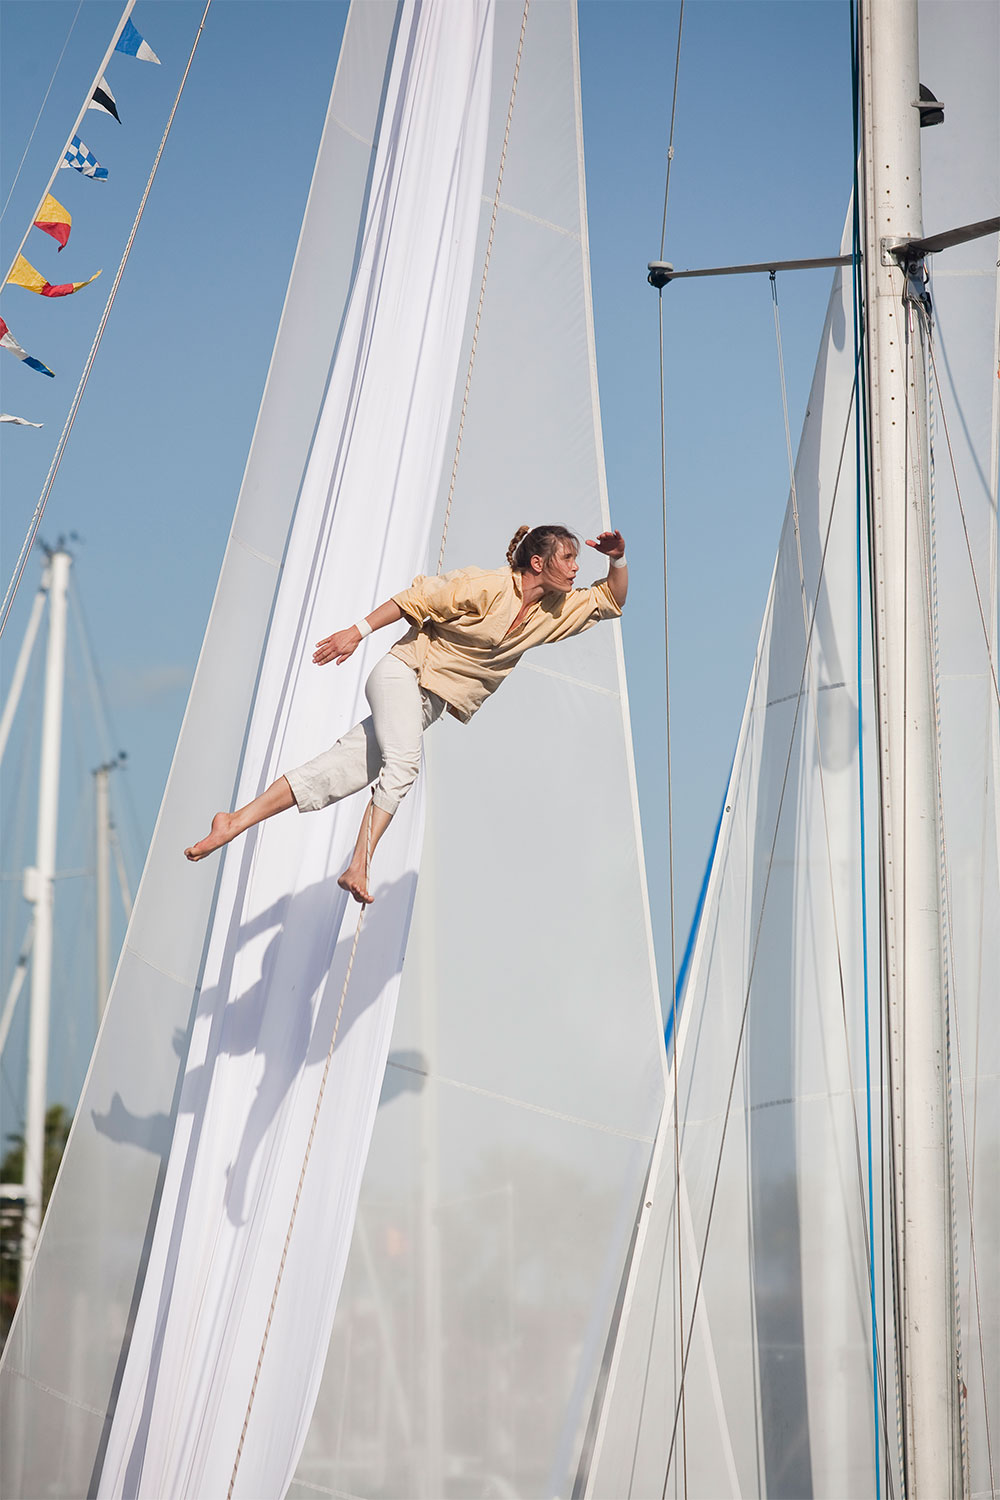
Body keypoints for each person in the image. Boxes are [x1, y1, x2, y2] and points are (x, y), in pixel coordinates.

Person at [184, 524, 628, 902]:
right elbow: (413, 600)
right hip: (402, 673)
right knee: (403, 766)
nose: (575, 567)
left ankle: (233, 822)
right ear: (538, 563)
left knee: (339, 771)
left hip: (426, 703)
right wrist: (356, 633)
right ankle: (359, 864)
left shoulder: (556, 610)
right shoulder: (488, 586)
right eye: (568, 558)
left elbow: (611, 599)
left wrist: (618, 559)